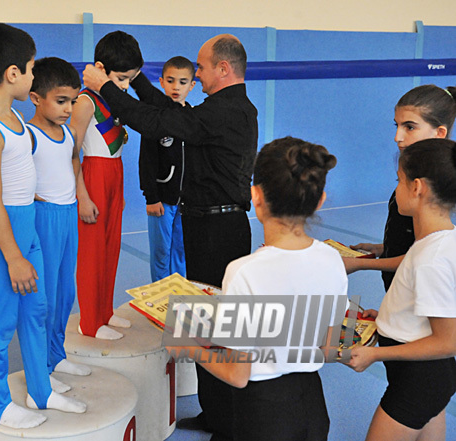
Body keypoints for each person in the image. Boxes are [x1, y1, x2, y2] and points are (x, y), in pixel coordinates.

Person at [83, 33, 258, 440]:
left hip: (220, 231)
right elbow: (168, 109)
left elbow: (159, 121)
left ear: (223, 69)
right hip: (204, 224)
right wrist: (138, 77)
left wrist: (104, 87)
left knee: (217, 328)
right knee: (202, 321)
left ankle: (228, 421)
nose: (194, 74)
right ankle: (213, 412)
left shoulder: (227, 111)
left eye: (200, 67)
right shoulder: (220, 108)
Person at [168, 136, 344, 441]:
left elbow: (237, 375)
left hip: (263, 414)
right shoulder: (333, 259)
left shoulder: (243, 271)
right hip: (313, 407)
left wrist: (186, 346)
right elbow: (329, 349)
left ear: (256, 196)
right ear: (320, 199)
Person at [0, 24, 84, 430]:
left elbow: (17, 171)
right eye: (31, 69)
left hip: (28, 226)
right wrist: (13, 256)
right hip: (3, 236)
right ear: (13, 74)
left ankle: (41, 389)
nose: (34, 76)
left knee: (37, 310)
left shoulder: (14, 118)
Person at [346, 138, 456, 441]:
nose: (396, 190)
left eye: (399, 181)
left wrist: (375, 356)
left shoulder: (430, 259)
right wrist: (385, 319)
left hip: (419, 379)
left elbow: (447, 342)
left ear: (417, 187)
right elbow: (424, 308)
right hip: (430, 376)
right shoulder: (439, 241)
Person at [69, 30, 143, 340]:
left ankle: (105, 312)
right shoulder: (86, 101)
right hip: (94, 175)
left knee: (111, 249)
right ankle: (90, 322)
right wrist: (82, 196)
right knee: (92, 253)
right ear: (100, 69)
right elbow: (70, 151)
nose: (125, 86)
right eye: (121, 78)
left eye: (129, 80)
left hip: (115, 175)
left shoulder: (115, 100)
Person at [344, 85, 456, 290]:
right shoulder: (414, 173)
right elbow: (415, 243)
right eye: (397, 125)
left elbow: (423, 255)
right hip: (400, 295)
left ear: (439, 132)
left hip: (416, 293)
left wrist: (361, 263)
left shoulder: (437, 185)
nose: (398, 136)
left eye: (409, 127)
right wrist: (382, 249)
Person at [27, 57, 92, 384]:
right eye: (61, 101)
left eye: (73, 101)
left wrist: (79, 197)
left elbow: (73, 164)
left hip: (67, 216)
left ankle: (57, 354)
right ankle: (40, 368)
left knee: (66, 293)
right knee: (45, 299)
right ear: (36, 98)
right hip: (44, 218)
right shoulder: (27, 135)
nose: (68, 109)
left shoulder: (67, 135)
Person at [138, 56, 195, 282]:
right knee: (161, 254)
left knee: (181, 252)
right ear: (161, 82)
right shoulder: (155, 118)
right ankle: (159, 307)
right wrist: (151, 197)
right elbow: (147, 160)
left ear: (192, 85)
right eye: (171, 81)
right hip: (161, 201)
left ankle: (178, 302)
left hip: (187, 203)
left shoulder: (194, 118)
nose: (176, 87)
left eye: (182, 82)